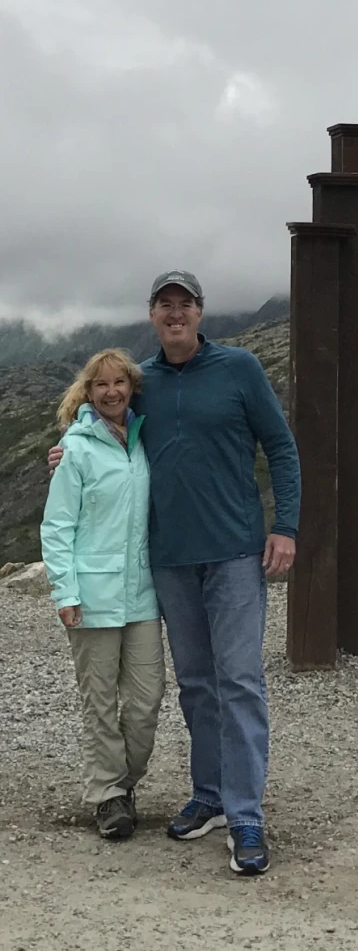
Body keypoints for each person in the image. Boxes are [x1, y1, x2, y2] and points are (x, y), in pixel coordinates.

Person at [49, 270, 300, 877]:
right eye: (165, 305)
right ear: (154, 315)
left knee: (239, 681)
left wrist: (286, 526)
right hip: (170, 561)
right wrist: (64, 449)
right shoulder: (142, 382)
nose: (175, 313)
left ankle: (245, 815)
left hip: (237, 552)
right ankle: (209, 796)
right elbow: (101, 423)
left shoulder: (240, 368)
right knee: (195, 684)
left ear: (201, 312)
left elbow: (281, 446)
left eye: (184, 304)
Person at [41, 348, 165, 841]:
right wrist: (64, 592)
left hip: (141, 594)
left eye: (120, 383)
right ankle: (109, 796)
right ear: (87, 393)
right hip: (91, 595)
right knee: (98, 702)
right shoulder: (77, 448)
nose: (112, 392)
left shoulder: (144, 439)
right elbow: (57, 526)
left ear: (131, 387)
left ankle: (124, 782)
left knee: (146, 700)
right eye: (101, 385)